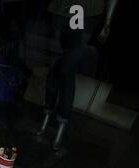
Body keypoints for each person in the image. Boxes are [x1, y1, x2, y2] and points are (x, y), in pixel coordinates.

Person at [36, 0, 118, 150]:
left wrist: (107, 22)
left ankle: (59, 122)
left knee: (66, 69)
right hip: (63, 9)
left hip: (85, 12)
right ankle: (48, 117)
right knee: (56, 67)